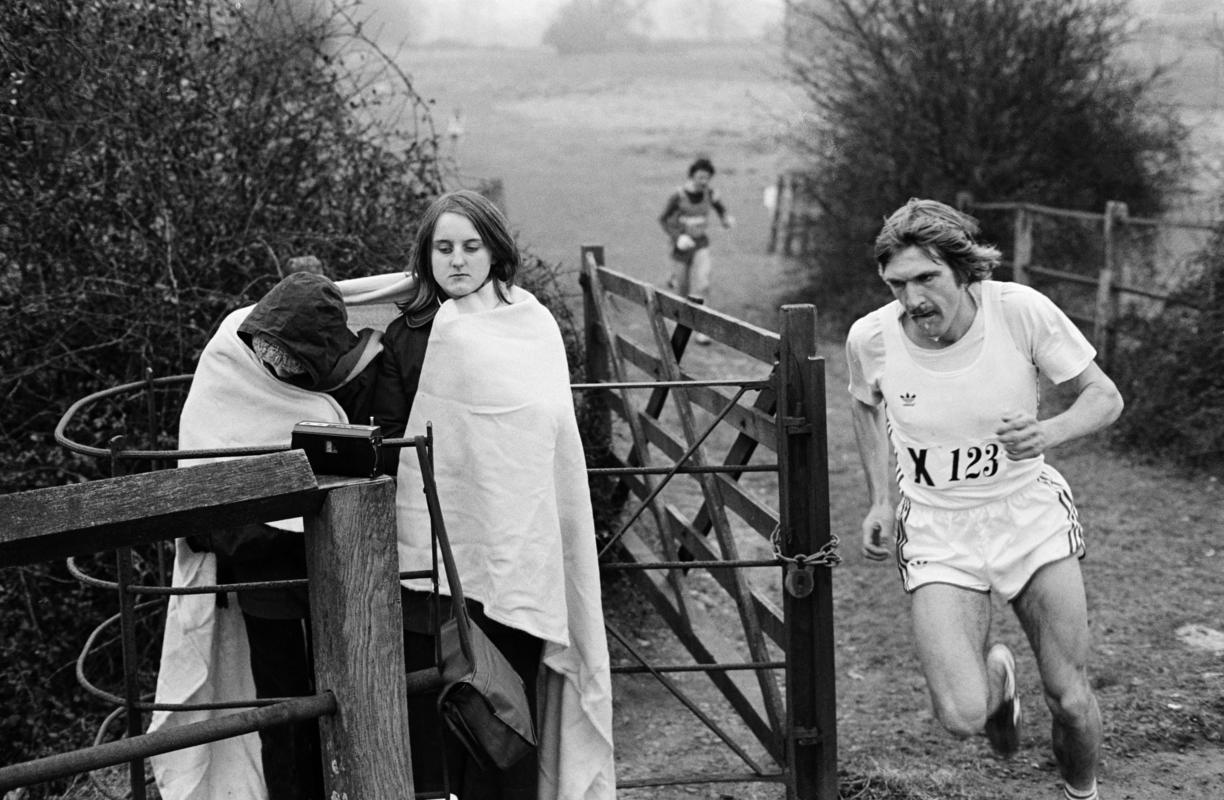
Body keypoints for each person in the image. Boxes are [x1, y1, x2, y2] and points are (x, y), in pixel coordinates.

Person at [846, 199, 1123, 800]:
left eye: (927, 278)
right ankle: (996, 691)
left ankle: (1084, 793)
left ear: (964, 270)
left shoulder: (1019, 312)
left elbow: (1104, 397)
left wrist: (1045, 433)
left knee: (1069, 697)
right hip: (937, 528)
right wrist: (879, 500)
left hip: (1027, 513)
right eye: (897, 284)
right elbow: (865, 404)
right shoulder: (871, 338)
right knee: (962, 717)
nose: (913, 298)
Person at [372, 189, 616, 800]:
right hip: (431, 563)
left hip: (516, 557)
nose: (457, 260)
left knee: (506, 721)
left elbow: (548, 438)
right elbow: (392, 441)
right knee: (436, 722)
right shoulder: (407, 337)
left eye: (471, 247)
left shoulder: (531, 326)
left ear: (494, 251)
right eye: (443, 247)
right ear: (425, 255)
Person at [149, 270, 409, 800]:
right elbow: (207, 461)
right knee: (283, 703)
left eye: (292, 362)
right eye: (271, 352)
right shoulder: (230, 360)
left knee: (346, 686)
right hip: (263, 567)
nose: (275, 369)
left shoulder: (351, 371)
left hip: (324, 562)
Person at [657, 157, 734, 343]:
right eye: (700, 177)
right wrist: (678, 238)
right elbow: (663, 219)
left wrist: (726, 219)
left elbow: (720, 208)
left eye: (707, 178)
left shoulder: (710, 193)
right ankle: (682, 324)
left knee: (704, 284)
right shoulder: (678, 196)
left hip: (701, 244)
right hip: (681, 248)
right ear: (692, 176)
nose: (704, 181)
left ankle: (703, 330)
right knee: (683, 289)